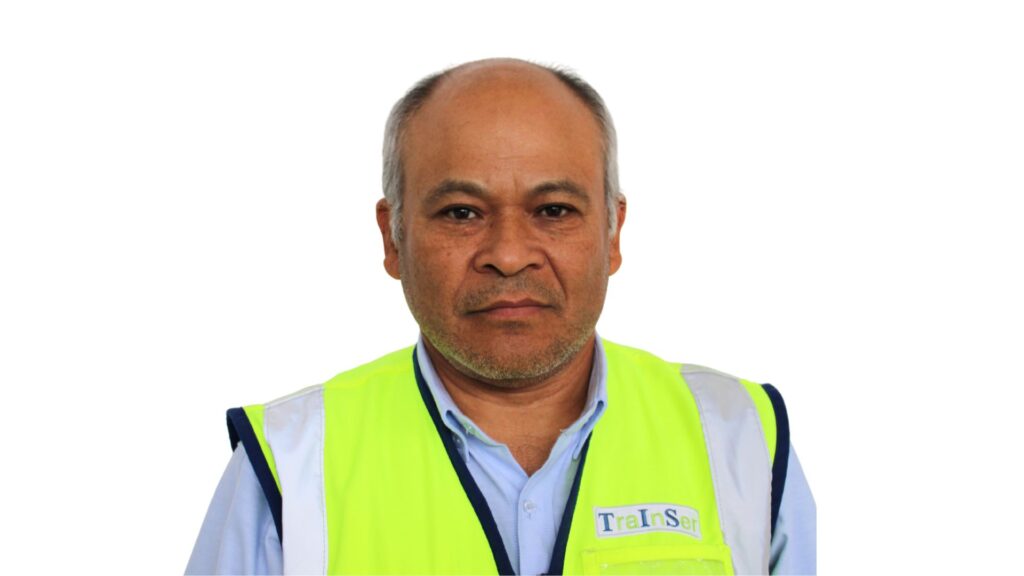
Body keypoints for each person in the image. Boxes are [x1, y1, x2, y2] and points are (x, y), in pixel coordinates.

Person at [186, 58, 816, 575]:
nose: (509, 254)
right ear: (393, 238)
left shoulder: (742, 441)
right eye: (461, 212)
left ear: (613, 232)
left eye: (554, 210)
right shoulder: (289, 467)